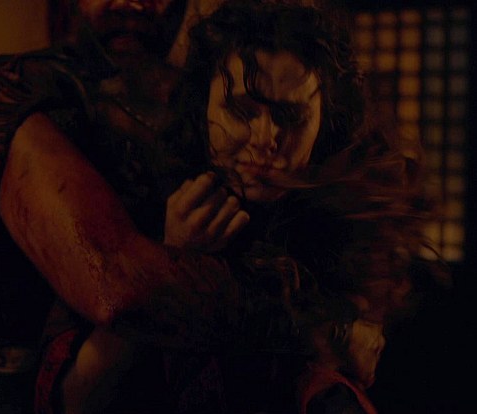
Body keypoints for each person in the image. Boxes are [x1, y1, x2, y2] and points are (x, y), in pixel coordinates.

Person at [39, 1, 447, 413]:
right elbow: (72, 399)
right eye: (241, 110)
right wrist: (170, 261)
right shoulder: (136, 196)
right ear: (203, 106)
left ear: (324, 123)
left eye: (291, 117)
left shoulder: (348, 229)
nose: (265, 138)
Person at [0, 1, 242, 413]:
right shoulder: (23, 96)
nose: (131, 3)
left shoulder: (197, 96)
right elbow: (114, 291)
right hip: (3, 391)